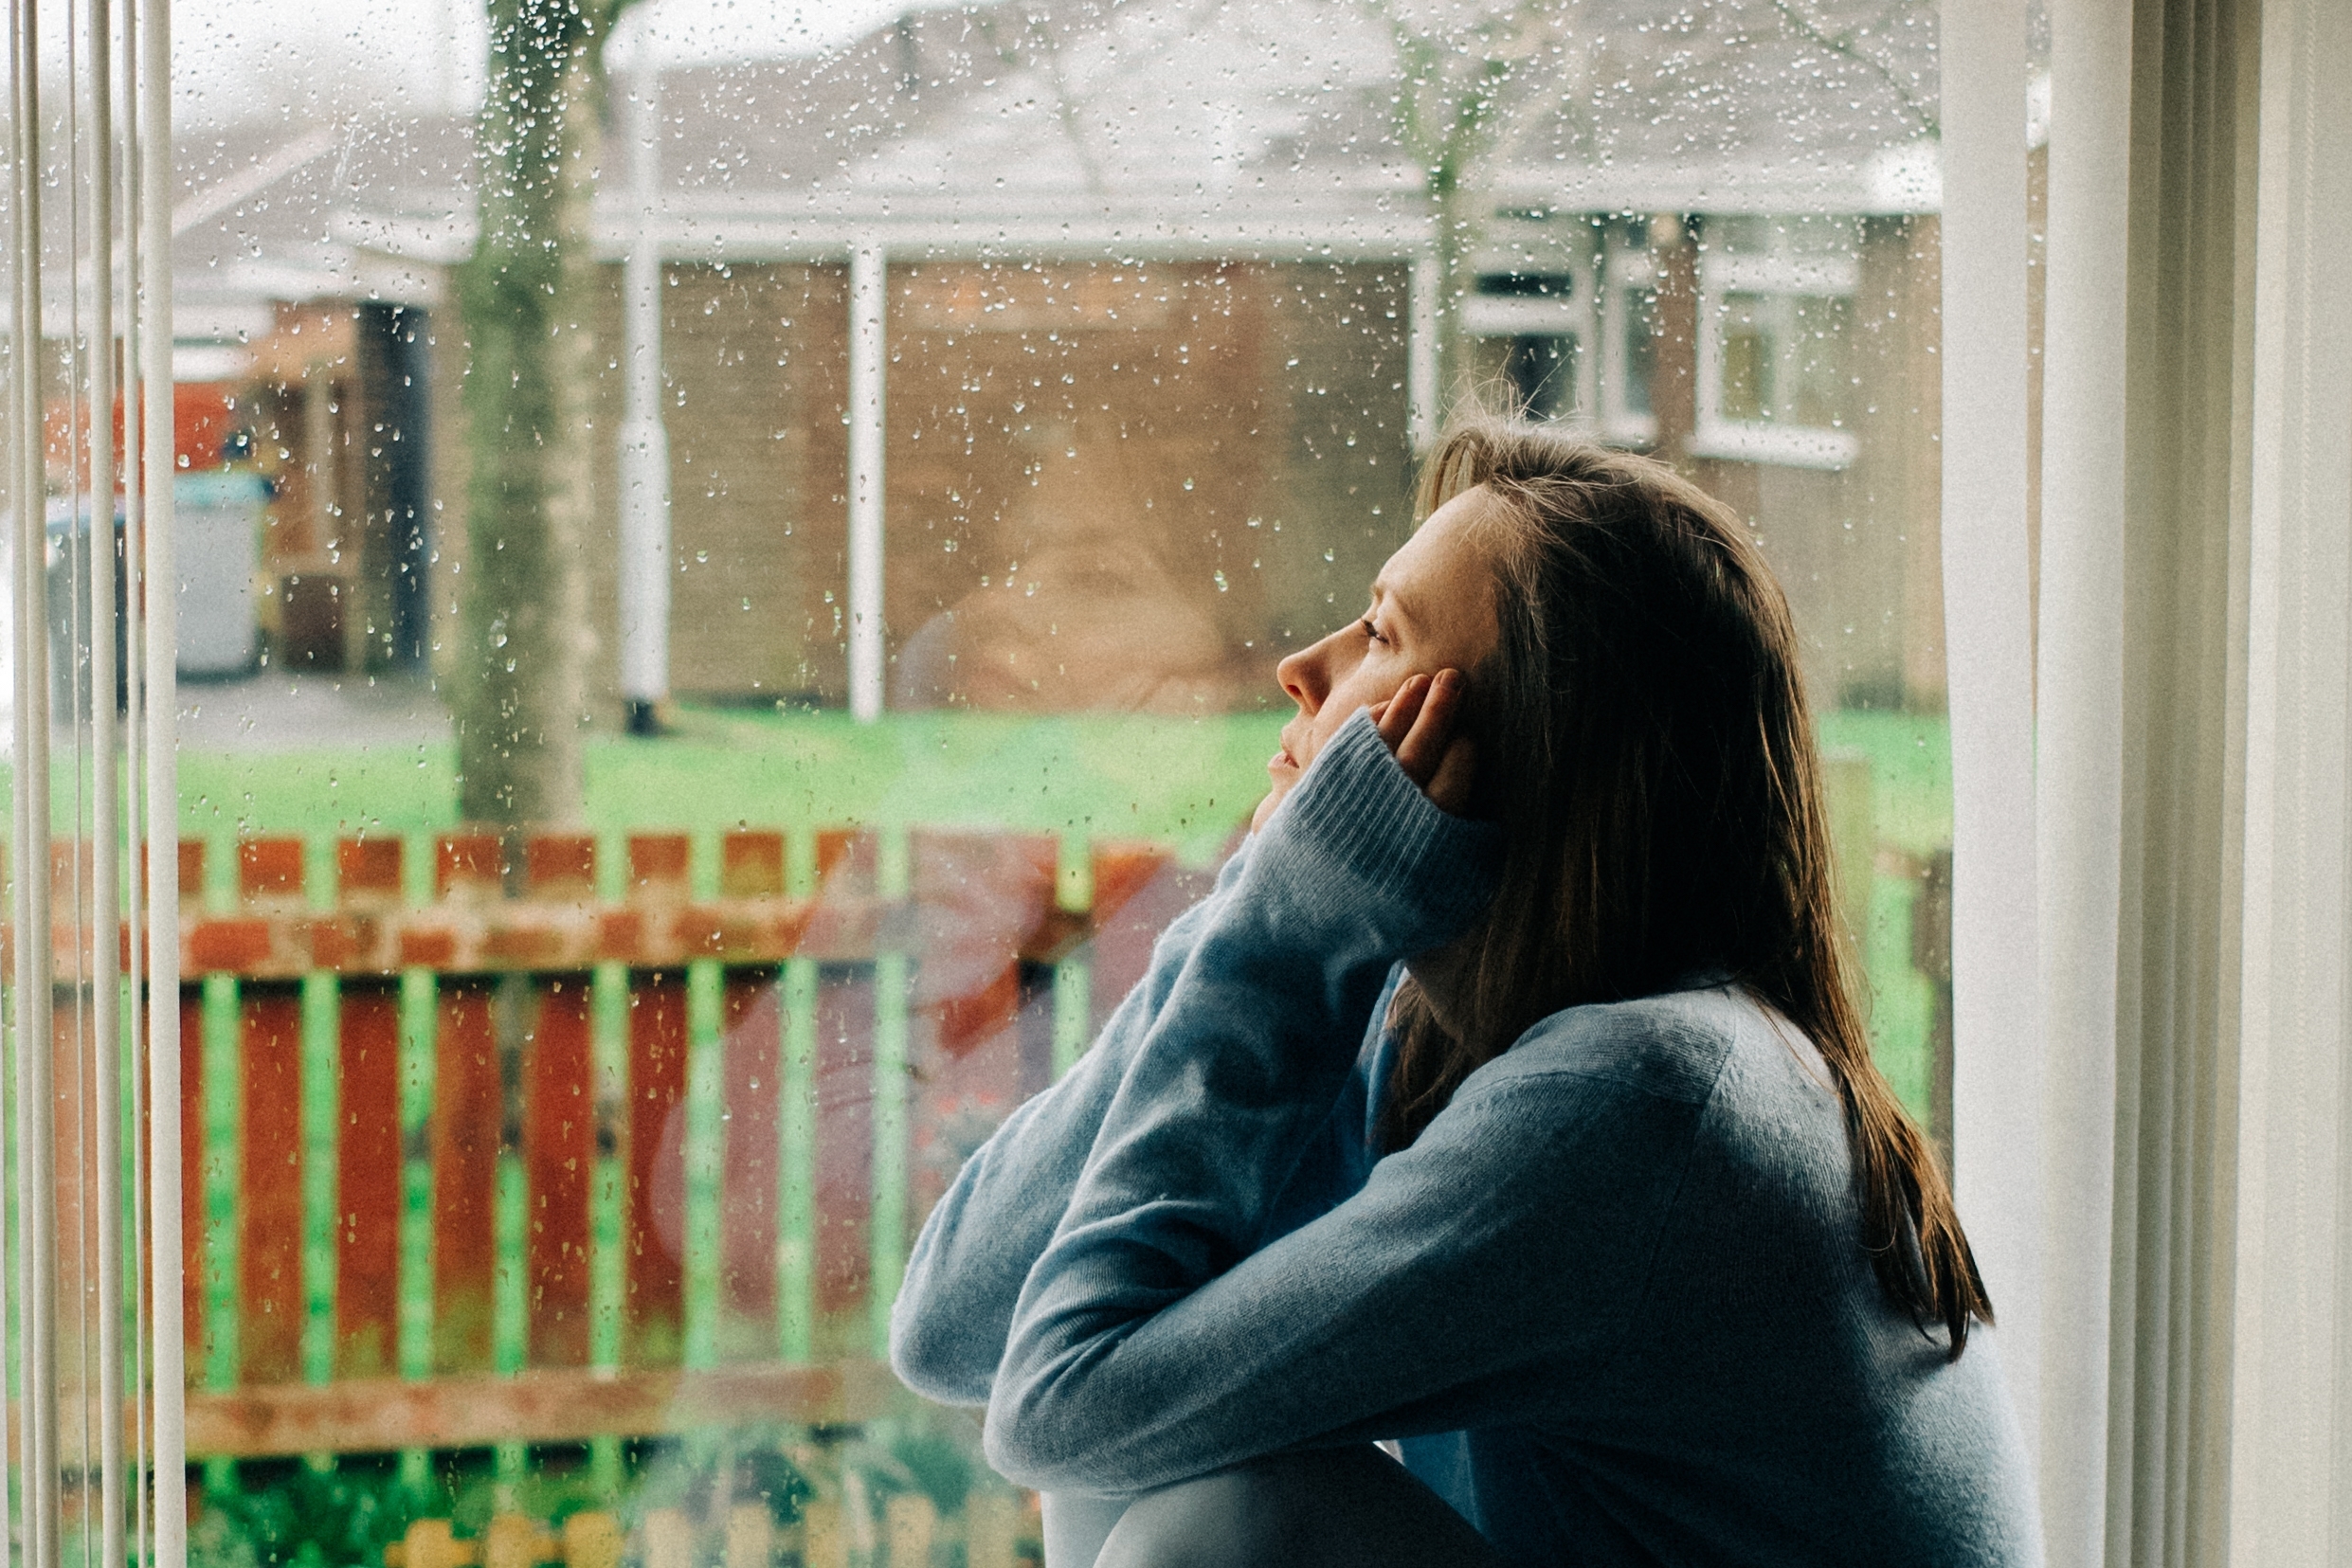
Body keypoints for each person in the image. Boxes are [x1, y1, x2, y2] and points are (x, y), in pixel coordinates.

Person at [890, 421, 2040, 1567]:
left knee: (1228, 1519)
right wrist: (1276, 905)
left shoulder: (1645, 1101)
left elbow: (1057, 1408)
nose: (1302, 664)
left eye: (1380, 631)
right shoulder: (1446, 1037)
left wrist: (1282, 928)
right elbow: (954, 1329)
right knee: (1175, 1442)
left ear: (1517, 750)